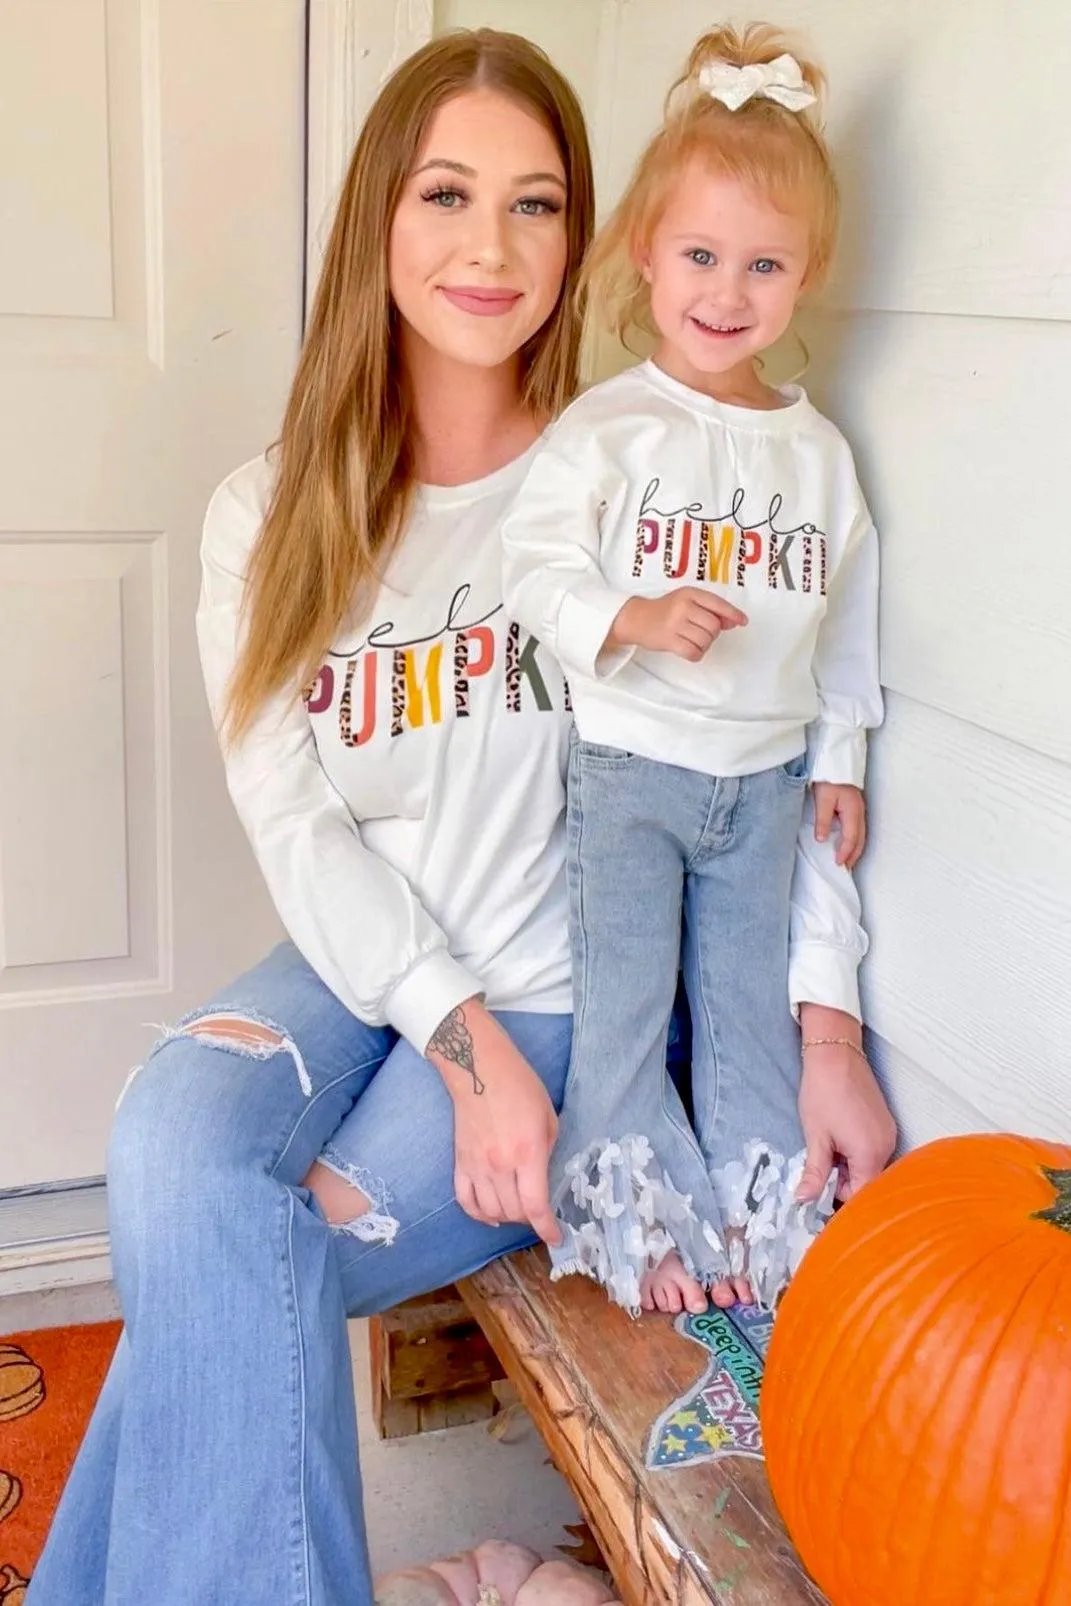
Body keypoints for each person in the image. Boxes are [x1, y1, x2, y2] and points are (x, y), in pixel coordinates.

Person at [27, 29, 595, 1606]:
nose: (490, 247)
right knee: (169, 1145)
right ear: (378, 222)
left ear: (577, 236)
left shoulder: (608, 484)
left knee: (235, 1261)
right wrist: (445, 1032)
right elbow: (298, 824)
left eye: (536, 205)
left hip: (543, 991)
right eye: (448, 193)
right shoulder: (270, 513)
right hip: (355, 973)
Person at [501, 23, 897, 1322]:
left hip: (762, 783)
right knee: (625, 1007)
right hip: (631, 772)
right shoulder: (608, 429)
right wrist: (629, 614)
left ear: (805, 276)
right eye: (700, 255)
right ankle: (639, 1211)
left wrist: (834, 759)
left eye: (763, 264)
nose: (727, 291)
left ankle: (750, 1205)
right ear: (644, 256)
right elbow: (534, 576)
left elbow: (842, 620)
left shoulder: (815, 454)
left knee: (740, 1012)